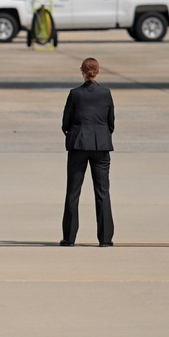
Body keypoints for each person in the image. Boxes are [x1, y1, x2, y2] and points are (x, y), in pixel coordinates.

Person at [60, 57, 115, 247]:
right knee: (103, 192)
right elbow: (111, 122)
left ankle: (69, 238)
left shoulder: (75, 94)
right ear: (98, 71)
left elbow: (65, 122)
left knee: (73, 192)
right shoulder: (106, 93)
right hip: (101, 146)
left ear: (82, 72)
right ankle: (105, 239)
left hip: (78, 145)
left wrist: (73, 133)